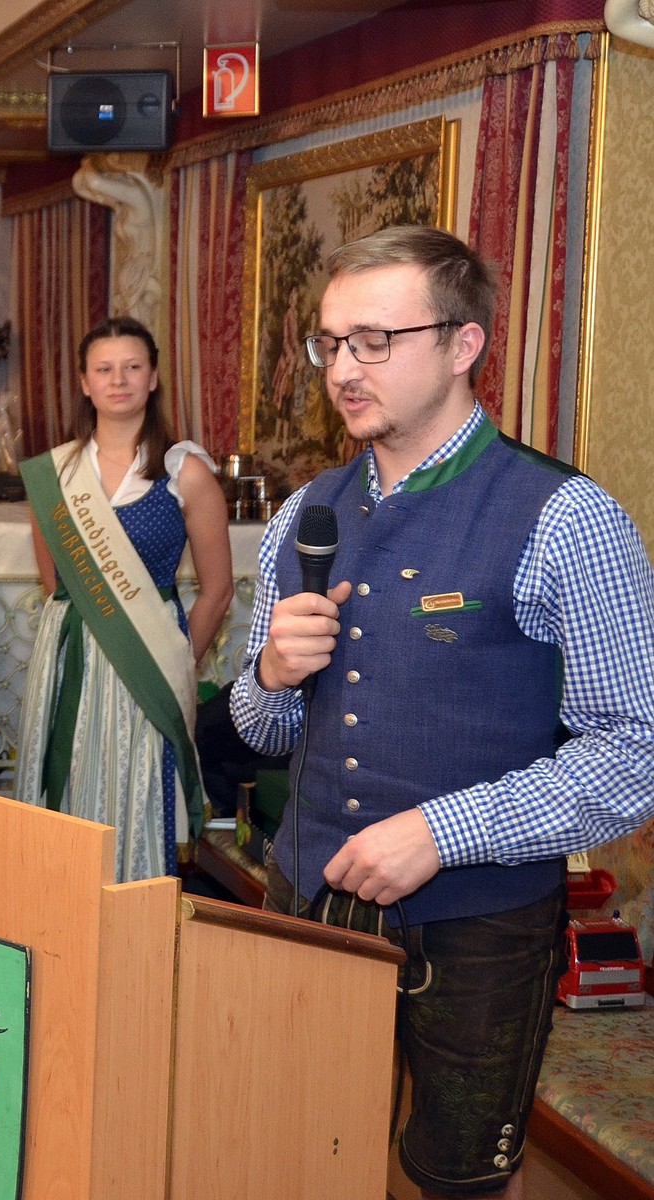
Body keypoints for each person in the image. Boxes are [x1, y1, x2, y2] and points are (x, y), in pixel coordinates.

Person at [231, 225, 654, 1200]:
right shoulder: (306, 514)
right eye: (331, 343)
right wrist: (272, 677)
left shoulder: (566, 517)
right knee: (300, 1153)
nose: (345, 369)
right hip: (309, 897)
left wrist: (441, 832)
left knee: (458, 1179)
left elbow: (634, 753)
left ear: (465, 343)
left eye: (376, 340)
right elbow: (261, 732)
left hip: (480, 926)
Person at [15, 315, 233, 881]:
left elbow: (217, 590)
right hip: (69, 656)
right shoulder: (55, 474)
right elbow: (54, 583)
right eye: (104, 369)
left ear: (153, 378)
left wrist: (177, 660)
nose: (119, 380)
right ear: (85, 383)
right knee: (66, 787)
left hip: (150, 657)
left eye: (133, 367)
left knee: (137, 795)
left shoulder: (185, 473)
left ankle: (135, 915)